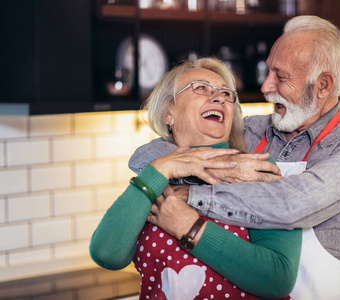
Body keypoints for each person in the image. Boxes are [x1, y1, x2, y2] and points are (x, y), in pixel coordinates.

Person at [129, 15, 340, 299]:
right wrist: (217, 165)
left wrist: (188, 195)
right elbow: (147, 155)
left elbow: (293, 205)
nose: (265, 87)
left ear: (323, 86)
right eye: (268, 73)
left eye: (281, 76)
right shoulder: (251, 131)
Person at [90, 57, 303, 300]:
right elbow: (107, 253)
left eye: (226, 93)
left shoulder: (256, 170)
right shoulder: (156, 173)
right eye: (201, 88)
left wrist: (188, 227)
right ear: (169, 111)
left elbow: (278, 278)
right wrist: (163, 167)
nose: (219, 97)